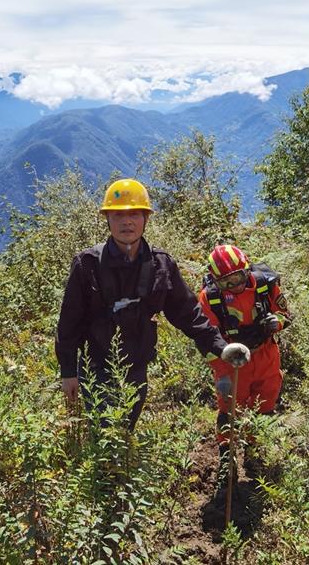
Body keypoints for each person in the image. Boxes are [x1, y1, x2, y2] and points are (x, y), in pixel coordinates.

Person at [55, 178, 233, 430]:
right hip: (97, 367)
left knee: (126, 428)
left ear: (145, 218)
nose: (126, 222)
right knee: (107, 434)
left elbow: (187, 312)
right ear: (107, 220)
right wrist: (68, 372)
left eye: (134, 214)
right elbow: (69, 322)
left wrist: (221, 347)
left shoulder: (161, 264)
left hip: (137, 366)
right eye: (118, 215)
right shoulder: (88, 264)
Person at [198, 245, 292, 491]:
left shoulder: (265, 285)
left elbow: (285, 314)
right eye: (226, 282)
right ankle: (227, 459)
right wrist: (222, 367)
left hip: (266, 355)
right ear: (216, 281)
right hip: (231, 362)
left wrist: (276, 322)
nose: (236, 285)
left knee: (265, 405)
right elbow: (206, 338)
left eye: (239, 277)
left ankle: (254, 452)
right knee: (229, 410)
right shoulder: (210, 297)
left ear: (247, 269)